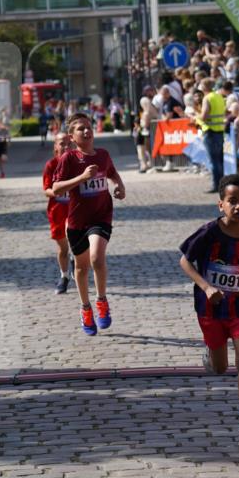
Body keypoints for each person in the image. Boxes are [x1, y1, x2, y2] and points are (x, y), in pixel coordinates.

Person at [179, 173, 239, 449]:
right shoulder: (209, 232)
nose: (238, 207)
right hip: (211, 308)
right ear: (221, 204)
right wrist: (206, 287)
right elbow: (185, 261)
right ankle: (211, 351)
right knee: (220, 367)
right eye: (232, 201)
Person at [52, 113, 125, 336]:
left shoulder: (103, 155)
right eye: (80, 129)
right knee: (81, 268)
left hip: (101, 216)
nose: (86, 131)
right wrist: (82, 178)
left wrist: (120, 186)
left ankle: (101, 301)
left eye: (88, 126)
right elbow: (56, 189)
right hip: (77, 221)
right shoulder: (69, 158)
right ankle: (85, 308)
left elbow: (112, 173)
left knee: (96, 257)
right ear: (73, 137)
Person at [42, 132, 73, 293]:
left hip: (74, 209)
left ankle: (76, 258)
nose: (66, 147)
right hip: (57, 211)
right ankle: (64, 275)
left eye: (69, 143)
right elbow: (46, 190)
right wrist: (58, 191)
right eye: (62, 143)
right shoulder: (51, 165)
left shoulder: (77, 163)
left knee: (72, 235)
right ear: (55, 147)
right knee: (63, 249)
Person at [198, 78, 227, 193]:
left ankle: (216, 185)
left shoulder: (207, 98)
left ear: (204, 87)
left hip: (210, 131)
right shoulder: (219, 97)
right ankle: (223, 184)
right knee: (219, 159)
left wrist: (196, 118)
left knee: (213, 160)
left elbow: (204, 116)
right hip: (220, 131)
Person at [136, 85, 158, 172]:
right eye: (150, 91)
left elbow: (148, 112)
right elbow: (146, 113)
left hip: (147, 126)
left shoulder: (152, 100)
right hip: (145, 126)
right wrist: (142, 126)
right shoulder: (145, 100)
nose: (152, 92)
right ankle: (145, 164)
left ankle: (148, 164)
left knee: (147, 146)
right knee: (142, 146)